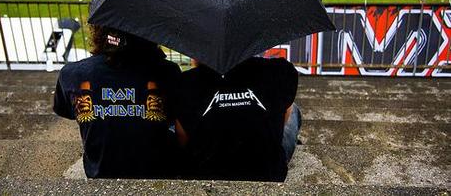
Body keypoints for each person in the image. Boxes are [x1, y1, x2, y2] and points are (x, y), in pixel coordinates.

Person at [53, 25, 181, 178]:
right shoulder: (168, 72)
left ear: (99, 30)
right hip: (155, 173)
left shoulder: (72, 74)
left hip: (100, 175)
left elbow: (66, 110)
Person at [175, 57, 302, 182]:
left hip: (203, 173)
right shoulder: (278, 71)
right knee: (293, 109)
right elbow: (282, 118)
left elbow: (183, 139)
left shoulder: (186, 82)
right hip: (267, 173)